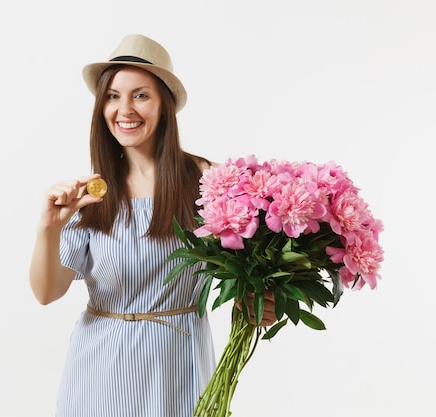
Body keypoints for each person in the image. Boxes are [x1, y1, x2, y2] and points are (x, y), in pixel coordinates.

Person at [29, 34, 275, 417]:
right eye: (112, 96)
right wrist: (49, 227)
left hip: (178, 366)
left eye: (140, 95)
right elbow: (47, 292)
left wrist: (261, 299)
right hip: (99, 372)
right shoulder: (92, 192)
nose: (124, 108)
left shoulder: (206, 180)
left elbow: (248, 270)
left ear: (165, 104)